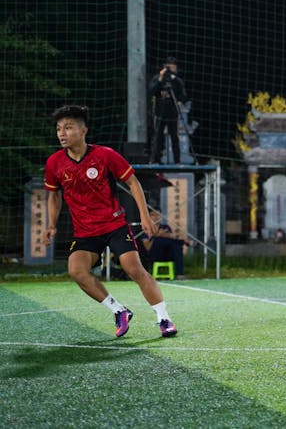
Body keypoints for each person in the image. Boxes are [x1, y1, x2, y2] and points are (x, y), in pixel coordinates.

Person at [43, 105, 177, 338]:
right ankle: (119, 310)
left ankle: (164, 318)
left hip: (114, 225)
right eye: (58, 129)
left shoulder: (104, 155)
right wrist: (51, 224)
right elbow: (54, 195)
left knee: (134, 269)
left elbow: (133, 183)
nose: (62, 134)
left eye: (68, 128)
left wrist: (145, 217)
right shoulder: (54, 163)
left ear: (83, 130)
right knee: (76, 270)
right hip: (85, 231)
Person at [148, 55, 189, 164]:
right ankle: (156, 159)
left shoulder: (177, 81)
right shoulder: (157, 79)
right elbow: (151, 91)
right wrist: (160, 79)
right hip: (160, 112)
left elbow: (184, 96)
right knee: (158, 136)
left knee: (174, 137)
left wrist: (179, 101)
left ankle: (177, 161)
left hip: (172, 112)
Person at [141, 209, 189, 280]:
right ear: (149, 216)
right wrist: (157, 235)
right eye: (153, 215)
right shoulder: (146, 229)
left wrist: (166, 235)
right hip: (154, 254)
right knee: (160, 240)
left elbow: (171, 238)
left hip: (167, 254)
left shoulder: (165, 227)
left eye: (157, 215)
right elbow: (147, 247)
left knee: (175, 245)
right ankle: (185, 242)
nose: (156, 217)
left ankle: (180, 274)